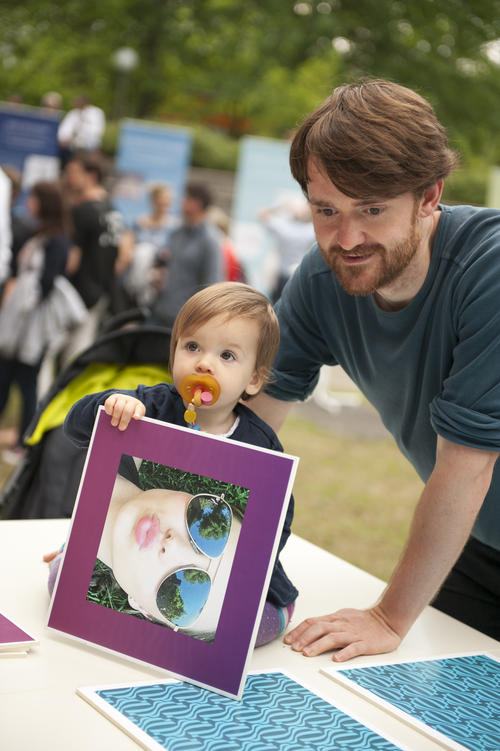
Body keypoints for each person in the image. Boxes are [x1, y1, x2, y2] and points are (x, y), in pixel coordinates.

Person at [249, 78, 500, 660]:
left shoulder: (488, 271)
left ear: (431, 196)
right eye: (326, 210)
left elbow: (467, 465)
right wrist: (143, 531)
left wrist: (389, 617)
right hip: (477, 547)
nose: (348, 238)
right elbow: (251, 425)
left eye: (373, 209)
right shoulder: (319, 281)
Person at [49, 282, 298, 646]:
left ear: (254, 379)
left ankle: (273, 610)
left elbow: (279, 520)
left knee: (252, 618)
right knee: (59, 578)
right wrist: (113, 405)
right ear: (174, 352)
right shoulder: (153, 406)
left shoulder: (261, 444)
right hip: (127, 523)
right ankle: (72, 552)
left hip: (233, 565)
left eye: (227, 356)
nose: (203, 362)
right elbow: (76, 427)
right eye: (192, 346)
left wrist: (254, 567)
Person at [77, 463, 243, 640]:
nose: (173, 546)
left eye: (182, 593)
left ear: (143, 609)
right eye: (206, 521)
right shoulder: (125, 438)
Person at [0, 180, 81, 459]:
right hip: (19, 321)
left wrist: (21, 302)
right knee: (7, 376)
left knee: (26, 381)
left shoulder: (56, 239)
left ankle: (24, 441)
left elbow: (46, 283)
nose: (28, 202)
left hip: (31, 325)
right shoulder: (42, 234)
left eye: (33, 198)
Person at [61, 151, 126, 363]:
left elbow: (73, 258)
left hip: (77, 292)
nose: (68, 177)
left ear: (91, 175)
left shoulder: (83, 210)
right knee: (79, 353)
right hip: (101, 292)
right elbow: (122, 255)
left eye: (73, 172)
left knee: (61, 353)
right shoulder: (112, 210)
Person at [148, 182, 223, 328]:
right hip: (159, 313)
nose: (181, 202)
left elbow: (212, 285)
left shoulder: (210, 239)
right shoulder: (177, 233)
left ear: (197, 204)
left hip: (183, 322)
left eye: (186, 198)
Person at [121, 183, 176, 306]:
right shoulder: (137, 223)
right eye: (161, 202)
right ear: (153, 201)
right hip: (135, 275)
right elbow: (126, 248)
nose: (164, 206)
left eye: (167, 202)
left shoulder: (174, 227)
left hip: (158, 280)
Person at [259, 195, 315, 302]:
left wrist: (280, 206)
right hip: (297, 274)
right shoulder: (310, 231)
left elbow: (262, 214)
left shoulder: (282, 227)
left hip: (282, 274)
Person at [57, 95, 106, 167]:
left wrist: (80, 138)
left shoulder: (96, 113)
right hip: (73, 149)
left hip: (90, 148)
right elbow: (65, 129)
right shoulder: (73, 113)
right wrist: (65, 138)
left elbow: (97, 132)